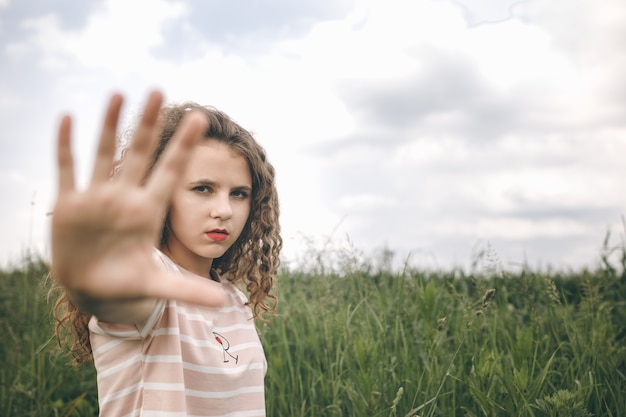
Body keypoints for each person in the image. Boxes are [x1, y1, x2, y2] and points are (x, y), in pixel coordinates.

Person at [50, 90, 282, 416]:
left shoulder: (233, 298)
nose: (224, 209)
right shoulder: (151, 281)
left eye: (239, 194)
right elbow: (122, 296)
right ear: (163, 196)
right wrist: (100, 274)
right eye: (203, 188)